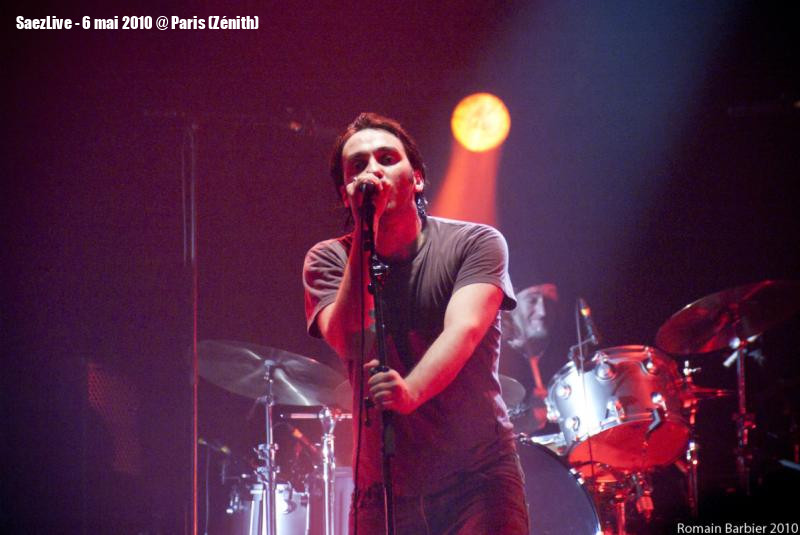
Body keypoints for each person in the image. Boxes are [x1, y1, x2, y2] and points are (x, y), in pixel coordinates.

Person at [303, 113, 529, 534]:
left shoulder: (475, 243)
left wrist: (410, 391)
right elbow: (350, 341)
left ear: (418, 178)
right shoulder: (327, 259)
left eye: (387, 158)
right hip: (384, 490)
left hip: (478, 478)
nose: (373, 171)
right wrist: (366, 228)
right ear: (345, 193)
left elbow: (464, 330)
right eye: (358, 166)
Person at [501, 283, 559, 433]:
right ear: (512, 306)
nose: (542, 312)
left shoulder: (567, 352)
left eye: (549, 301)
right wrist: (529, 421)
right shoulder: (494, 359)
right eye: (532, 300)